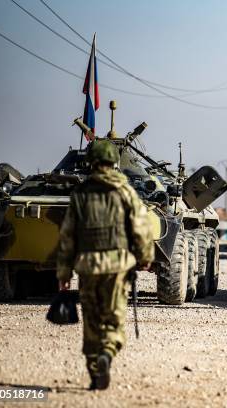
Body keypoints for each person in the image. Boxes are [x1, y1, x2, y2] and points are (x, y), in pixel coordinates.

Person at [57, 140, 154, 390]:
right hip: (118, 265)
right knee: (113, 316)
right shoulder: (125, 191)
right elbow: (141, 227)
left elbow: (68, 236)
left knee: (91, 319)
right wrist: (145, 258)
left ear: (91, 162)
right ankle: (107, 352)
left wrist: (64, 272)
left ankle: (93, 368)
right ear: (114, 162)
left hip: (88, 265)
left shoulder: (80, 194)